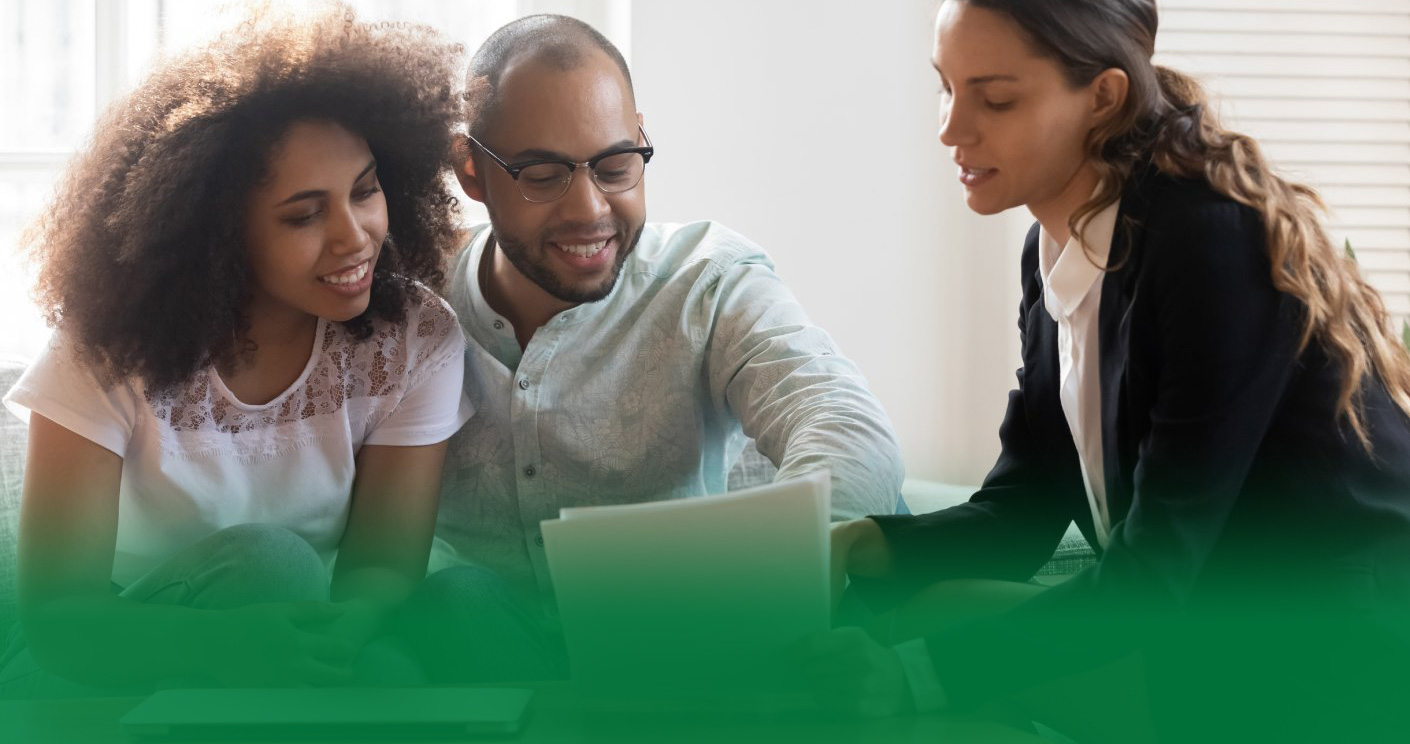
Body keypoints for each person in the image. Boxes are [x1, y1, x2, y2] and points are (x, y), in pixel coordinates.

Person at [802, 1, 1410, 742]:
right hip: (1201, 621)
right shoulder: (1051, 251)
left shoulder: (1207, 242)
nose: (951, 129)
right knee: (909, 612)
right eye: (946, 87)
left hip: (1329, 656)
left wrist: (915, 676)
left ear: (1104, 96)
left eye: (995, 98)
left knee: (918, 655)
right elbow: (1025, 507)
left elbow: (1154, 571)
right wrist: (859, 543)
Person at [0, 7, 471, 697]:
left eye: (365, 191)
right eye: (305, 214)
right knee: (270, 564)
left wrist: (334, 642)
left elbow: (378, 571)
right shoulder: (110, 345)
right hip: (112, 649)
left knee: (399, 662)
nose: (355, 236)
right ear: (217, 233)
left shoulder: (413, 337)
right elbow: (58, 622)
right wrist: (221, 645)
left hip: (292, 630)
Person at [419, 14, 905, 682]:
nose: (590, 208)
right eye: (543, 174)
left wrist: (787, 568)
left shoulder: (707, 280)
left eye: (617, 166)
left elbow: (843, 423)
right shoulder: (412, 309)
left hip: (694, 666)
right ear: (471, 169)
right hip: (482, 661)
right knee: (454, 602)